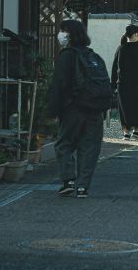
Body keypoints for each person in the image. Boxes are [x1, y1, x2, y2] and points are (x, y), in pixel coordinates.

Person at [46, 19, 109, 199]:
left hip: (73, 108)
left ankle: (68, 181)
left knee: (64, 143)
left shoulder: (67, 55)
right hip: (95, 109)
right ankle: (83, 187)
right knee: (89, 147)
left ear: (70, 34)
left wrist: (53, 110)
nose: (61, 34)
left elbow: (59, 84)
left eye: (63, 31)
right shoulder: (93, 56)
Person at [111, 24, 138, 140]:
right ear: (136, 34)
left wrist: (112, 83)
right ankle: (135, 130)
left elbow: (115, 67)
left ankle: (125, 132)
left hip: (123, 84)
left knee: (124, 108)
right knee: (137, 106)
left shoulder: (121, 48)